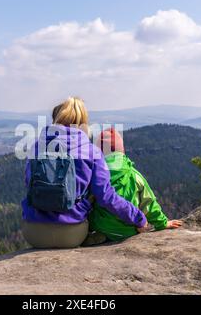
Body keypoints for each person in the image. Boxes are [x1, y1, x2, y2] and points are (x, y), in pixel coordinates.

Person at [21, 97, 148, 249]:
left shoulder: (36, 147)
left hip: (33, 232)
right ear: (83, 121)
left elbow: (29, 184)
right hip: (72, 235)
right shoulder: (91, 151)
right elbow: (106, 196)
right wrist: (139, 219)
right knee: (93, 194)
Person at [88, 128, 183, 244]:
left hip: (101, 226)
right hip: (128, 231)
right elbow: (149, 203)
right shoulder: (134, 175)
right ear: (122, 150)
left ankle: (101, 234)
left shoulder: (93, 175)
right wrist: (162, 223)